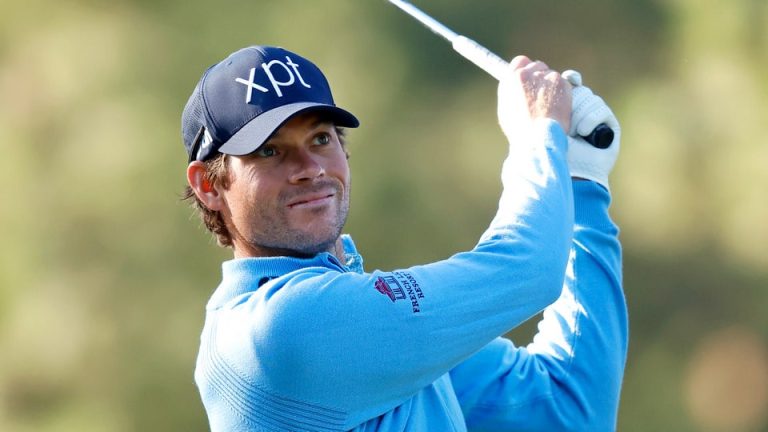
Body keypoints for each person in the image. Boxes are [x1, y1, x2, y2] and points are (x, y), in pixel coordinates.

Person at [181, 45, 627, 431]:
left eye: (320, 138)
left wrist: (580, 181)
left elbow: (571, 410)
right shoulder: (278, 329)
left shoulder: (380, 336)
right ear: (208, 185)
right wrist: (539, 136)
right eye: (270, 151)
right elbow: (527, 269)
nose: (310, 168)